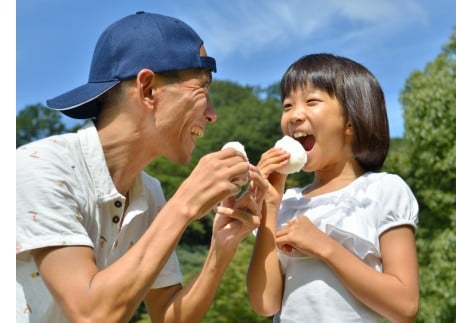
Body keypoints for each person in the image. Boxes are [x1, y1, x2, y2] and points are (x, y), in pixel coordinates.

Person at [16, 11, 268, 323]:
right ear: (148, 89)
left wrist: (221, 248)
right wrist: (184, 204)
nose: (213, 113)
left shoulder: (149, 192)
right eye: (203, 88)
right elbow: (91, 315)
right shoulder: (39, 168)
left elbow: (170, 317)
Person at [247, 53, 420, 323]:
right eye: (287, 105)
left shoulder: (382, 190)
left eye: (311, 101)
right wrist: (270, 206)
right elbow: (265, 303)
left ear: (351, 121)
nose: (293, 115)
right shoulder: (286, 203)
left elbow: (405, 306)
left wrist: (324, 246)